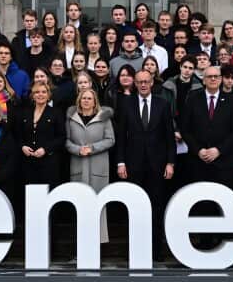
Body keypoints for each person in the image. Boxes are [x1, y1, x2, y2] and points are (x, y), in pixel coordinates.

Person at [114, 69, 175, 253]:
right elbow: (121, 137)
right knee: (134, 206)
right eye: (139, 81)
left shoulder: (163, 104)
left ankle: (156, 249)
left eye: (146, 81)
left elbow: (169, 137)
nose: (143, 85)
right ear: (135, 83)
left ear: (151, 83)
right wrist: (121, 162)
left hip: (157, 165)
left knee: (156, 206)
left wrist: (170, 163)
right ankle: (135, 250)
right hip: (133, 164)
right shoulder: (126, 104)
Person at [179, 66, 233, 191]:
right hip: (197, 162)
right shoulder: (193, 99)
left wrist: (219, 150)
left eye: (216, 76)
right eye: (209, 76)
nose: (213, 79)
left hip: (223, 163)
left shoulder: (232, 101)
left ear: (220, 79)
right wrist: (198, 150)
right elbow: (185, 129)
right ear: (203, 80)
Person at [66, 88, 115, 243]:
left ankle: (98, 243)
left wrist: (93, 148)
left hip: (98, 168)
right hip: (78, 166)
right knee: (80, 205)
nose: (86, 101)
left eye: (89, 98)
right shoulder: (71, 118)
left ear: (95, 102)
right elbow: (66, 141)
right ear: (79, 101)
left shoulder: (104, 118)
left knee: (98, 204)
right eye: (83, 98)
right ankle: (81, 244)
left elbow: (110, 140)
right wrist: (78, 150)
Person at [16, 81, 64, 188]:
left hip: (49, 163)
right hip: (27, 163)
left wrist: (45, 149)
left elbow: (61, 137)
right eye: (37, 92)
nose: (40, 94)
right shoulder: (24, 112)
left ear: (48, 95)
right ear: (32, 96)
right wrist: (22, 146)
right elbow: (18, 135)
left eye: (43, 92)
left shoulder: (56, 113)